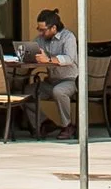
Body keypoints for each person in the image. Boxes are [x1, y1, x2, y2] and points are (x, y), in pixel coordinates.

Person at [30, 8, 79, 136]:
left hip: (71, 80)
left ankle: (67, 125)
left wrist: (49, 59)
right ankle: (44, 123)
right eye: (39, 29)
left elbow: (69, 58)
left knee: (59, 91)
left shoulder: (68, 37)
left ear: (53, 28)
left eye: (43, 30)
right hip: (51, 80)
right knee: (26, 92)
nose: (40, 33)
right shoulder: (40, 39)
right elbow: (34, 52)